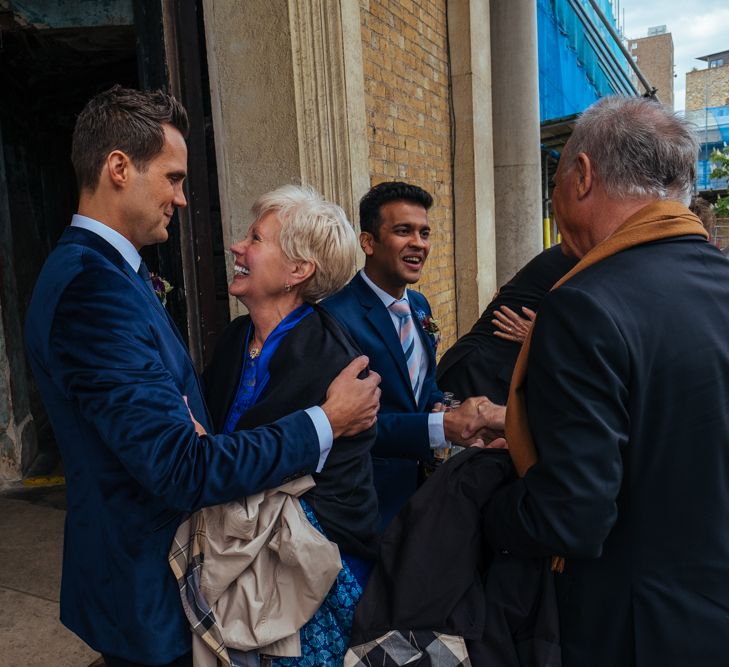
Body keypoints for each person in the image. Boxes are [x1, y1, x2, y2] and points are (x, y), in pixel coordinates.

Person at [23, 86, 380, 667]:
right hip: (145, 586)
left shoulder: (110, 275)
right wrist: (324, 422)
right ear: (118, 168)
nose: (183, 199)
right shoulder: (94, 289)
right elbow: (180, 466)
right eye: (172, 177)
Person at [469, 96, 729, 666]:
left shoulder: (585, 306)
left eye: (555, 181)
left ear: (582, 176)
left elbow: (572, 516)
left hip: (632, 631)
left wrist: (487, 509)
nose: (555, 199)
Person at [200, 185, 378, 664]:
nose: (238, 247)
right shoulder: (236, 338)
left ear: (298, 271)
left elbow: (336, 489)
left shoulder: (334, 359)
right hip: (233, 561)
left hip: (299, 581)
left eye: (256, 239)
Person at [322, 181, 485, 530]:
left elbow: (424, 388)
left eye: (424, 233)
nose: (418, 244)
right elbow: (349, 426)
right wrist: (438, 427)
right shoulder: (335, 318)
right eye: (403, 231)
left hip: (424, 495)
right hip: (368, 503)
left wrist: (441, 407)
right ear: (368, 242)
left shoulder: (420, 306)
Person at [436, 244, 576, 404]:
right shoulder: (580, 253)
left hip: (498, 374)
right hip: (479, 371)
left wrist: (541, 335)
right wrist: (540, 336)